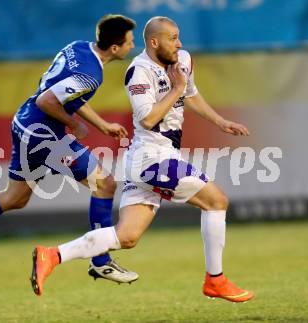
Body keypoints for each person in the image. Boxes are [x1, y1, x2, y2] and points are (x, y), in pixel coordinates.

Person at [29, 16, 255, 302]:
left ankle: (52, 255)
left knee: (127, 237)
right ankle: (216, 280)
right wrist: (175, 89)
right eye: (173, 38)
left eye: (179, 37)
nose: (179, 44)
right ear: (154, 42)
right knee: (216, 201)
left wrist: (220, 121)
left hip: (151, 159)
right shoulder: (138, 72)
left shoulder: (182, 60)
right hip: (152, 159)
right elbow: (148, 119)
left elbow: (191, 93)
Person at [0, 14, 139, 285]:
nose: (133, 46)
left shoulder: (78, 47)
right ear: (115, 48)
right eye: (130, 42)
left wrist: (101, 124)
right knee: (105, 184)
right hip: (44, 134)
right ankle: (101, 261)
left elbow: (62, 93)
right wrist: (75, 124)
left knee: (15, 197)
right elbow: (47, 100)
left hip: (26, 124)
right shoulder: (91, 75)